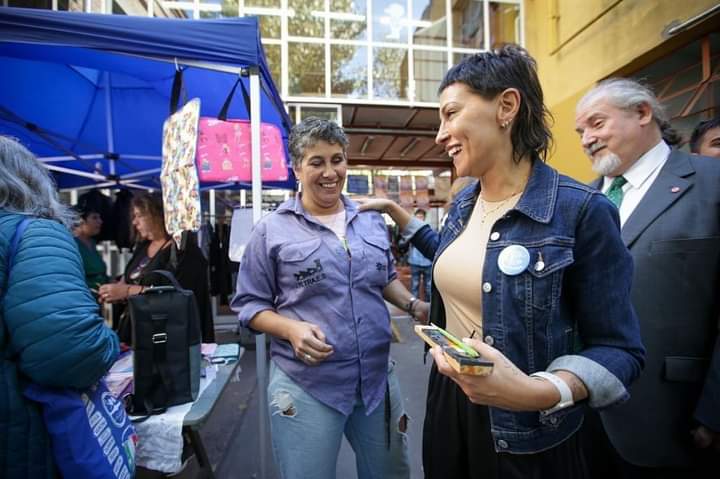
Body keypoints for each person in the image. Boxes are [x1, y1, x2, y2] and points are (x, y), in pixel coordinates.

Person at [360, 45, 645, 479]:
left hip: (529, 427)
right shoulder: (462, 206)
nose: (440, 134)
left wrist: (538, 392)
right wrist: (397, 214)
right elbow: (456, 261)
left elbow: (620, 350)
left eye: (451, 113)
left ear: (506, 107)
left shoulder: (582, 210)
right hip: (447, 399)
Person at [231, 117, 428, 479]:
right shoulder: (271, 230)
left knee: (392, 473)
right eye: (316, 162)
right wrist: (290, 329)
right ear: (297, 168)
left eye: (336, 160)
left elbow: (382, 278)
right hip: (308, 384)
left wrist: (413, 305)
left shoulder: (369, 221)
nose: (329, 172)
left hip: (376, 380)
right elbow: (249, 304)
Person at [575, 78, 720, 476]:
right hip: (583, 417)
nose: (587, 138)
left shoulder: (712, 183)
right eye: (580, 131)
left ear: (642, 113)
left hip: (677, 418)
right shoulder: (579, 202)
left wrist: (715, 410)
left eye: (597, 123)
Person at [0, 135, 120, 478]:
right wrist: (108, 343)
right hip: (20, 435)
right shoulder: (35, 232)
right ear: (31, 180)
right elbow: (71, 352)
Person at [98, 192, 214, 343]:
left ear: (159, 215)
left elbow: (181, 297)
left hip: (169, 340)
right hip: (137, 336)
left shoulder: (184, 253)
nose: (134, 222)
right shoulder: (142, 248)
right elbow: (134, 280)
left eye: (139, 215)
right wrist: (115, 292)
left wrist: (127, 291)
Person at [72, 204, 109, 292]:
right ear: (80, 221)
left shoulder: (92, 243)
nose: (100, 221)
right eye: (94, 218)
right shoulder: (72, 244)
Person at [406, 209, 432, 301]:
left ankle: (428, 309)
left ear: (424, 218)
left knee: (428, 287)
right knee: (414, 285)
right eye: (417, 217)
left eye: (421, 217)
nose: (419, 219)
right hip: (414, 261)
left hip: (428, 262)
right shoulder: (411, 229)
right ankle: (414, 309)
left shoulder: (429, 229)